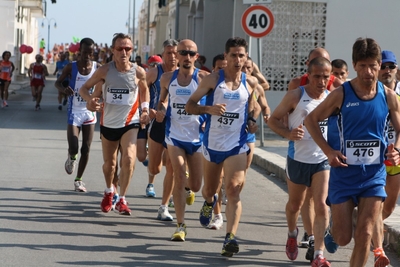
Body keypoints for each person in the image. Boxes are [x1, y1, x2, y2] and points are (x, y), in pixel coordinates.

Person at [304, 37, 400, 267]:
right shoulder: (342, 94)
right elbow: (311, 120)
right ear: (355, 65)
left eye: (373, 65)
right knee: (343, 238)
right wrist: (328, 151)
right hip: (344, 173)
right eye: (363, 65)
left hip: (373, 175)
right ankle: (331, 227)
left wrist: (396, 149)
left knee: (366, 233)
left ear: (379, 64)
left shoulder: (388, 96)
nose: (368, 71)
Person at [186, 37, 259, 257]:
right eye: (234, 55)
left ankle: (230, 238)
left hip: (237, 145)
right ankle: (209, 202)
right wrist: (209, 110)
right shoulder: (212, 80)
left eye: (241, 55)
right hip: (212, 144)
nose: (238, 60)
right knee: (209, 189)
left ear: (246, 58)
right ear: (225, 57)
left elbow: (253, 107)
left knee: (234, 189)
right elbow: (190, 106)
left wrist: (253, 121)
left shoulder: (250, 83)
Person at [268, 57, 332, 266]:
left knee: (322, 205)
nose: (321, 81)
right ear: (309, 75)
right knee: (295, 204)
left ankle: (319, 254)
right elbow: (272, 120)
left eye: (325, 77)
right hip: (298, 158)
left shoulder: (331, 98)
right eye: (317, 77)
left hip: (322, 159)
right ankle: (292, 233)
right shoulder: (296, 95)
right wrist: (288, 134)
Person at [79, 33, 150, 216]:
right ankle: (109, 191)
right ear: (113, 50)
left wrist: (144, 109)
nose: (124, 52)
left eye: (127, 49)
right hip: (109, 123)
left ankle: (122, 199)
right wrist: (90, 101)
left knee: (128, 159)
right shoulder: (105, 70)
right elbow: (84, 89)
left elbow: (144, 89)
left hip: (130, 122)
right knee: (110, 165)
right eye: (120, 48)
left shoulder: (138, 71)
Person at [288, 47, 343, 250]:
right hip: (299, 152)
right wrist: (289, 133)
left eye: (325, 64)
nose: (322, 78)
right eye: (316, 63)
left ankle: (316, 242)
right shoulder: (296, 85)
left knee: (320, 201)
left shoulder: (336, 86)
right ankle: (302, 233)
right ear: (308, 67)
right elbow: (287, 115)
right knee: (301, 200)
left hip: (323, 154)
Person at [156, 39, 209, 241]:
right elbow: (162, 101)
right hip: (175, 135)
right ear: (176, 55)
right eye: (183, 53)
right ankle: (180, 225)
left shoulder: (204, 78)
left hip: (197, 137)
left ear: (196, 57)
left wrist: (208, 117)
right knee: (178, 173)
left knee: (195, 185)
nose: (187, 57)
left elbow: (216, 102)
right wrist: (160, 111)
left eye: (191, 53)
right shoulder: (168, 78)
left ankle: (189, 189)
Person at [55, 38, 99, 193]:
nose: (87, 55)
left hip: (89, 112)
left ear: (93, 52)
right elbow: (57, 83)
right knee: (74, 147)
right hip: (74, 111)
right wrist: (64, 89)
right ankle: (71, 157)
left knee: (86, 148)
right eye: (85, 52)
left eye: (90, 52)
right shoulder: (71, 67)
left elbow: (105, 84)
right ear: (80, 51)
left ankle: (78, 180)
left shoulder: (97, 68)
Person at [371, 50, 400, 264]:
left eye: (391, 66)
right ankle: (378, 250)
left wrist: (397, 149)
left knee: (388, 207)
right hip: (374, 159)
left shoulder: (399, 97)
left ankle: (370, 226)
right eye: (384, 66)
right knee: (376, 205)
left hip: (395, 158)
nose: (387, 70)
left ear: (396, 71)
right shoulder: (370, 95)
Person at [146, 39, 178, 221]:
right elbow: (141, 89)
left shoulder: (188, 75)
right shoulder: (155, 73)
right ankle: (152, 168)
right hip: (157, 121)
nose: (172, 57)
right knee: (155, 167)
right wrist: (146, 110)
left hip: (177, 125)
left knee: (172, 167)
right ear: (163, 55)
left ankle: (164, 205)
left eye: (176, 53)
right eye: (169, 53)